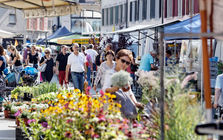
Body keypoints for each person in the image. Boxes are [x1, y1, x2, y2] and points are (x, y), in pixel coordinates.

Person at [104, 49, 143, 118]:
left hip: (127, 112)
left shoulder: (124, 75)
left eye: (128, 63)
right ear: (116, 59)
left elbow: (130, 92)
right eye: (123, 61)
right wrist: (114, 89)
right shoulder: (110, 73)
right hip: (115, 112)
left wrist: (135, 103)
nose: (125, 64)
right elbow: (105, 90)